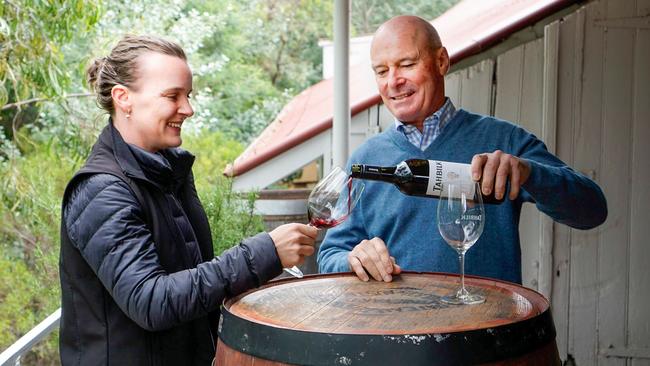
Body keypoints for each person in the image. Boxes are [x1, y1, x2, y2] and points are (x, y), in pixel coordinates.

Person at [59, 35, 318, 365]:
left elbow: (190, 276)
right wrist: (262, 254)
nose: (188, 109)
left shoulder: (168, 171)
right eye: (172, 96)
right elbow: (150, 301)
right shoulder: (102, 190)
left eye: (188, 95)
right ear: (123, 99)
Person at [317, 15, 607, 284]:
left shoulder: (503, 141)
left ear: (442, 61)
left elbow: (592, 209)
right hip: (398, 334)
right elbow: (329, 256)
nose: (393, 81)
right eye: (382, 71)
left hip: (489, 334)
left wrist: (529, 172)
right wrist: (352, 259)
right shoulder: (366, 159)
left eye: (406, 64)